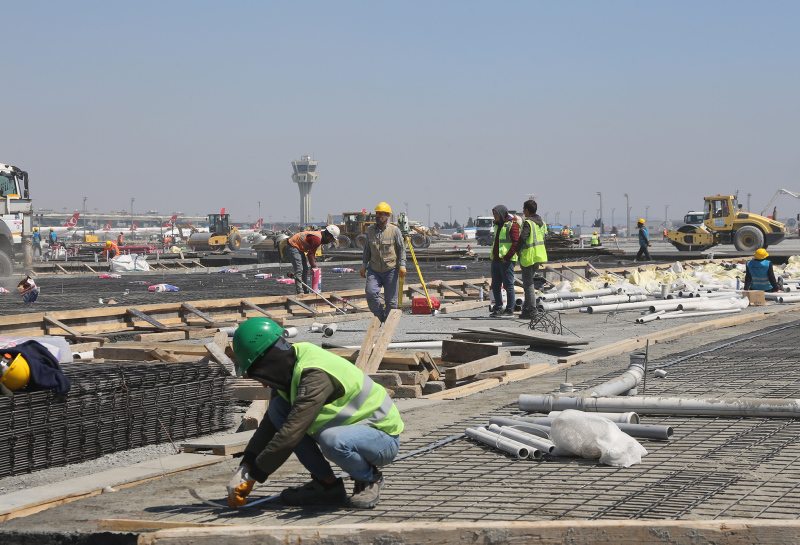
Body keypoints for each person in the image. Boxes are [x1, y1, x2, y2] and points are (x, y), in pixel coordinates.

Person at [228, 317, 403, 509]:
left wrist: (254, 475)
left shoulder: (314, 375)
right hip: (351, 430)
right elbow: (270, 424)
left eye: (260, 374)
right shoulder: (290, 365)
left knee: (331, 440)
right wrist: (246, 465)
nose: (263, 384)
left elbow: (291, 433)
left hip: (382, 437)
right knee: (278, 409)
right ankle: (328, 486)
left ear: (269, 361)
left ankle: (369, 479)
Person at [361, 202, 406, 322]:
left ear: (387, 216)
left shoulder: (394, 230)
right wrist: (364, 266)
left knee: (391, 301)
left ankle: (388, 324)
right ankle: (379, 317)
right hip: (374, 269)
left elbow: (401, 249)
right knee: (370, 293)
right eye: (377, 213)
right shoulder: (370, 231)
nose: (378, 216)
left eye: (381, 214)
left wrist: (402, 265)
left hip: (391, 270)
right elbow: (367, 249)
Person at [286, 226, 340, 295]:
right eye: (332, 239)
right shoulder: (317, 239)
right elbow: (310, 255)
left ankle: (305, 290)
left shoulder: (319, 237)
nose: (331, 241)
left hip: (299, 247)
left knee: (305, 269)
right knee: (299, 269)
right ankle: (300, 292)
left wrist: (313, 265)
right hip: (293, 246)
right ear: (329, 236)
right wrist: (314, 266)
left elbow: (311, 254)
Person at [518, 200, 547, 320]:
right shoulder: (542, 223)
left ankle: (531, 310)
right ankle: (526, 308)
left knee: (528, 283)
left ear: (527, 210)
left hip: (529, 256)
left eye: (524, 209)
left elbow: (523, 238)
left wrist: (516, 250)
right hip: (538, 256)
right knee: (528, 283)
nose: (523, 211)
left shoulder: (528, 223)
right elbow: (544, 239)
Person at [490, 204, 520, 317]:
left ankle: (510, 309)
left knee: (508, 285)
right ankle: (498, 307)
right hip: (496, 260)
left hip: (507, 261)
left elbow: (516, 243)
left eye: (496, 214)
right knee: (495, 285)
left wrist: (507, 257)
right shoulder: (497, 225)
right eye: (494, 214)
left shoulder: (512, 225)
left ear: (502, 213)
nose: (495, 216)